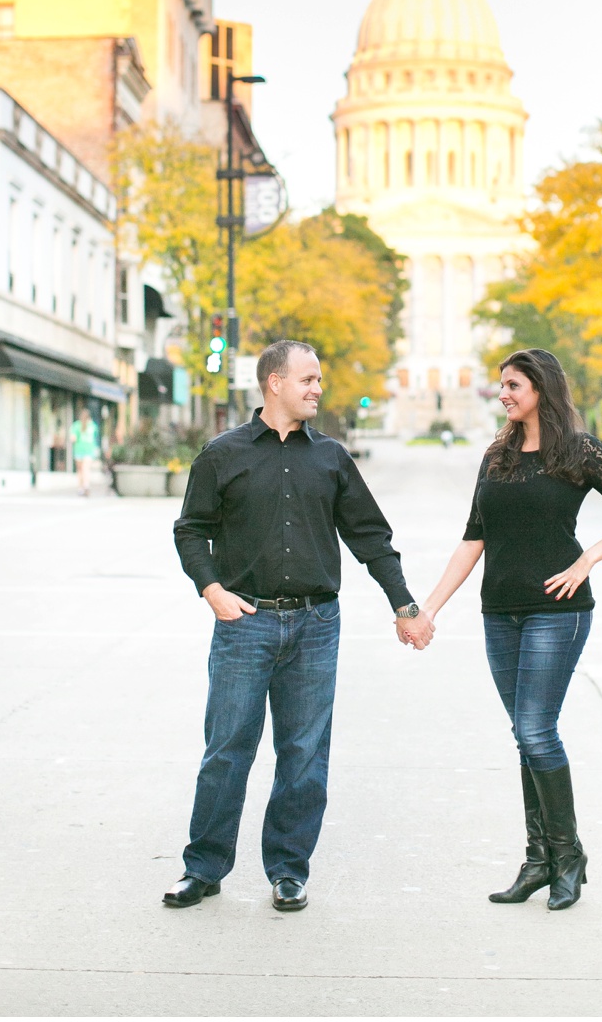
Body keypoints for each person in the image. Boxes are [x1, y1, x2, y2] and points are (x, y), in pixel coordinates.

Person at [165, 340, 431, 915]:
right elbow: (191, 529)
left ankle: (289, 869)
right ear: (273, 384)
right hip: (245, 623)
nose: (317, 389)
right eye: (307, 379)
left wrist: (405, 605)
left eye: (318, 380)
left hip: (316, 624)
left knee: (304, 753)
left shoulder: (331, 457)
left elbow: (370, 537)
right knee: (227, 750)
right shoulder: (222, 454)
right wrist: (213, 591)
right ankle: (203, 868)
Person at [416, 348, 602, 910]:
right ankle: (539, 860)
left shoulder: (577, 451)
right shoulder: (496, 456)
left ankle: (567, 855)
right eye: (501, 385)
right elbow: (473, 539)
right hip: (500, 613)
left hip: (558, 612)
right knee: (526, 736)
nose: (503, 394)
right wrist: (429, 609)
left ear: (542, 390)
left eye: (513, 385)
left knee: (535, 729)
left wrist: (587, 559)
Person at [71, 407, 101, 496]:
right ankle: (86, 485)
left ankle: (81, 487)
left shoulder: (76, 425)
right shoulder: (92, 426)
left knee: (80, 470)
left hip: (79, 450)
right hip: (89, 450)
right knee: (86, 469)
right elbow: (95, 436)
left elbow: (73, 438)